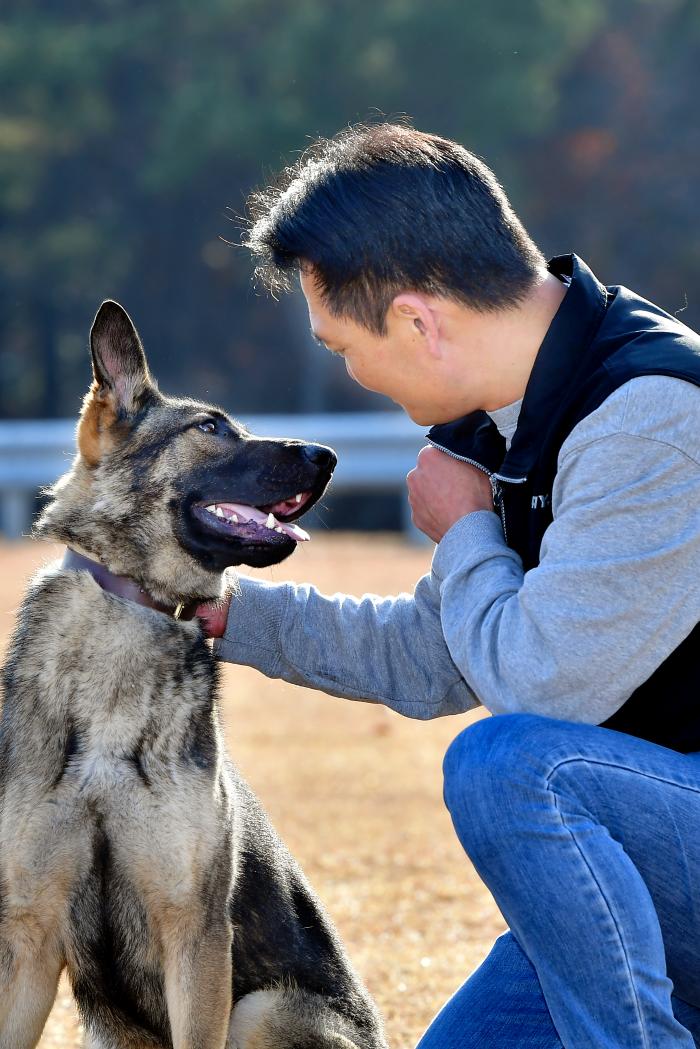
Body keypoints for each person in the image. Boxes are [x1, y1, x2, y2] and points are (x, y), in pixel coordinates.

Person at [198, 124, 700, 1047]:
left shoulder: (654, 417)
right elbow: (440, 655)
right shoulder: (508, 421)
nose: (351, 374)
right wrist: (223, 612)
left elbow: (542, 687)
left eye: (344, 344)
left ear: (419, 320)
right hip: (652, 884)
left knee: (506, 764)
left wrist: (468, 527)